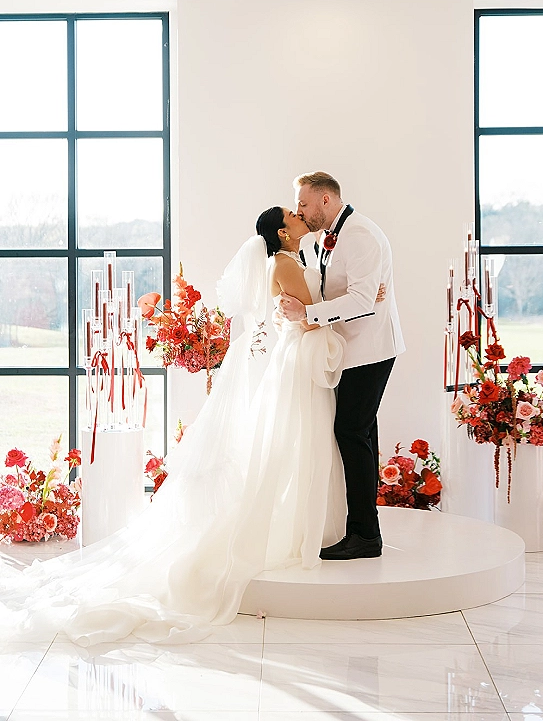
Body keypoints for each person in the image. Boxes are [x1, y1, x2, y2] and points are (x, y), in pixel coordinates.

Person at [0, 206, 348, 646]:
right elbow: (312, 315)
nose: (301, 216)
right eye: (294, 215)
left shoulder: (281, 261)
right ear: (283, 231)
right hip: (295, 362)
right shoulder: (284, 263)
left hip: (286, 359)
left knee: (284, 445)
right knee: (294, 444)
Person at [279, 172, 405, 561]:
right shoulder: (325, 237)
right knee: (360, 432)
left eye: (303, 203)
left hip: (370, 348)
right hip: (348, 348)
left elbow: (363, 301)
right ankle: (366, 525)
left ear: (326, 201)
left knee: (350, 431)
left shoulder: (361, 234)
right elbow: (346, 291)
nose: (299, 210)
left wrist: (310, 313)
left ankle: (365, 535)